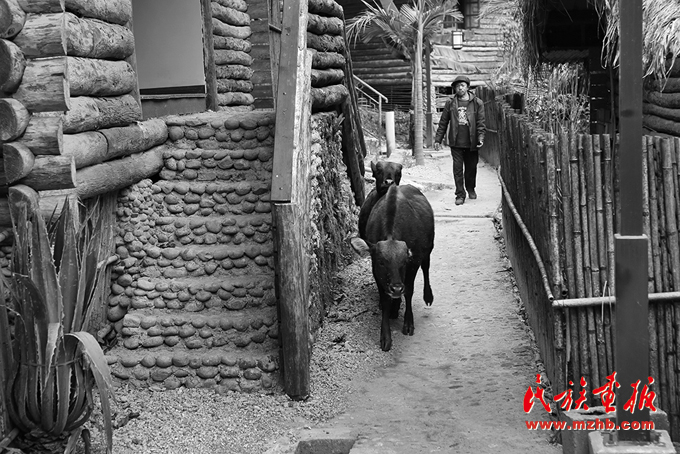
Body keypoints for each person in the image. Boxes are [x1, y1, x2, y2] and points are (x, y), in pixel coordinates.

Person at [433, 75, 486, 205]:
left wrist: (480, 137)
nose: (460, 88)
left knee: (471, 168)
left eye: (462, 85)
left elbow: (481, 123)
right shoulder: (450, 103)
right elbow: (443, 122)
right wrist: (438, 139)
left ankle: (470, 188)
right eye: (457, 86)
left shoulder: (477, 103)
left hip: (471, 143)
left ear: (467, 87)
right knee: (457, 170)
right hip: (456, 142)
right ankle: (460, 194)